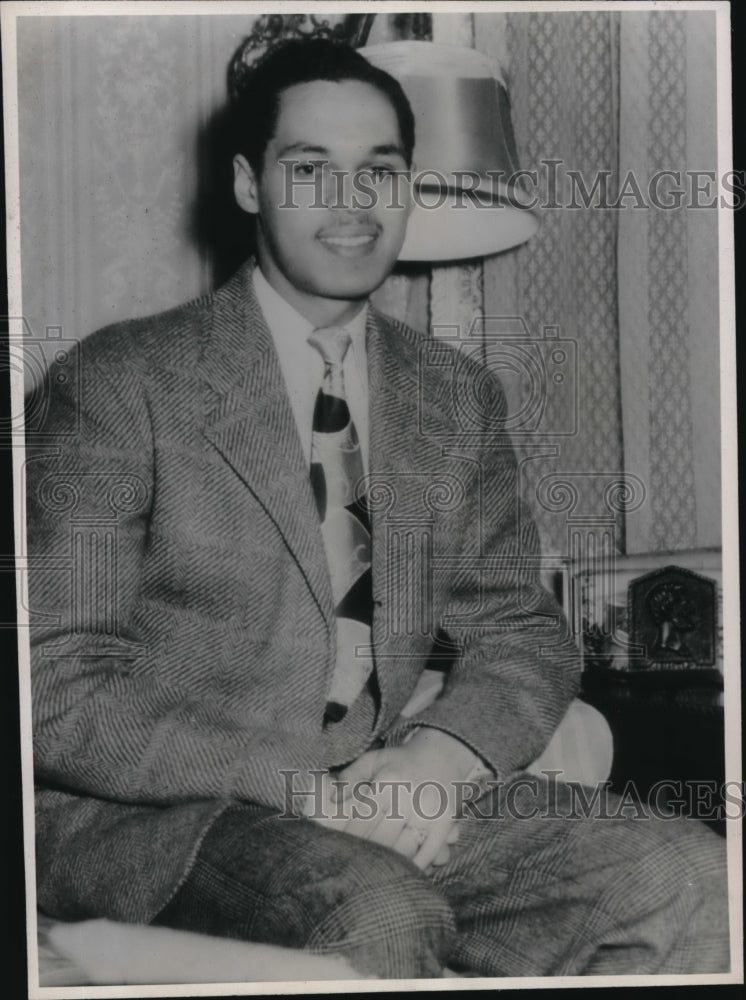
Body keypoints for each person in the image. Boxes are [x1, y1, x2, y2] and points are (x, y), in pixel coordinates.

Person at [27, 38, 729, 979]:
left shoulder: (455, 396)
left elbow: (520, 631)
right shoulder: (117, 382)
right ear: (248, 186)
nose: (352, 205)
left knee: (689, 878)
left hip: (385, 788)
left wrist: (437, 763)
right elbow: (57, 686)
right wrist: (309, 789)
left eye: (380, 171)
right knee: (378, 915)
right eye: (310, 169)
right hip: (161, 818)